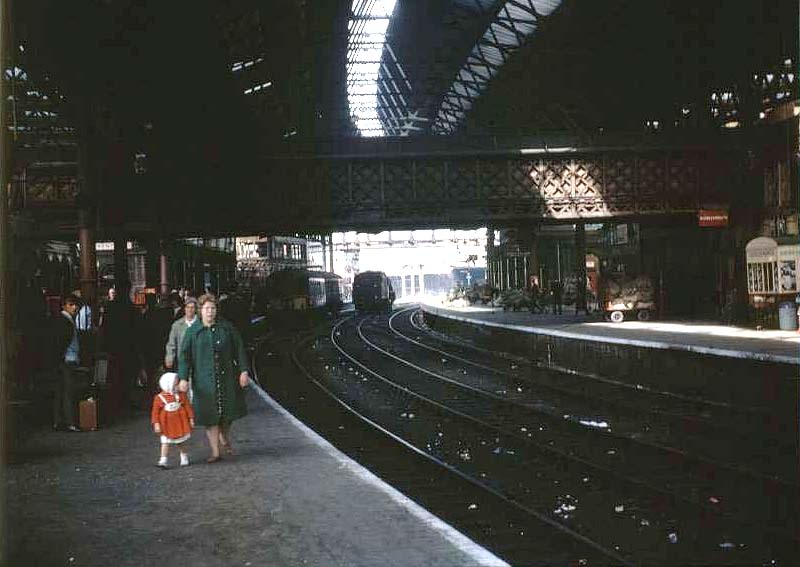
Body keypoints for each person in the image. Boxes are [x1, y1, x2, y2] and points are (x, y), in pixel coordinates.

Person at [177, 294, 250, 463]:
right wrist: (183, 378)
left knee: (229, 411)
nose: (210, 312)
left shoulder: (227, 328)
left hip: (227, 377)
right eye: (207, 309)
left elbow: (239, 348)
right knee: (210, 416)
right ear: (200, 311)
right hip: (204, 381)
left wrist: (243, 371)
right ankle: (215, 451)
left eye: (213, 308)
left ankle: (224, 435)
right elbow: (184, 357)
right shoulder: (193, 332)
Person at [51, 294, 82, 432]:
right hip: (68, 360)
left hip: (64, 360)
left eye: (75, 304)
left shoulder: (64, 320)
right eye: (71, 304)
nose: (74, 307)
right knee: (68, 391)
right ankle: (69, 422)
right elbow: (61, 342)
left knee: (60, 391)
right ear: (64, 305)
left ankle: (58, 421)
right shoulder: (65, 321)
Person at [151, 372, 194, 468]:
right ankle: (163, 459)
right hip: (166, 425)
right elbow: (155, 413)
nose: (177, 385)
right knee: (165, 442)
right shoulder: (159, 398)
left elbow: (187, 407)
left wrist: (191, 418)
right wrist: (156, 423)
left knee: (180, 441)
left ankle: (184, 455)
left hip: (179, 423)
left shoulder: (181, 396)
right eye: (175, 383)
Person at [164, 297, 198, 371]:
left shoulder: (201, 324)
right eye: (188, 307)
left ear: (196, 309)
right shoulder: (177, 325)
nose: (190, 310)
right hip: (182, 362)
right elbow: (171, 344)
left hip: (198, 362)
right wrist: (169, 357)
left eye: (192, 307)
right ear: (184, 308)